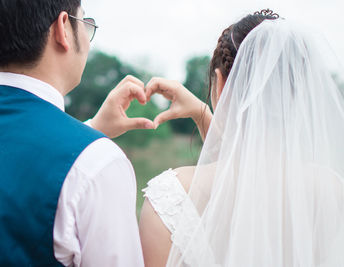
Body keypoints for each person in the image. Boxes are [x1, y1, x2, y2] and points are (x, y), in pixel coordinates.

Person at [0, 0, 181, 266]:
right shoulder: (100, 163)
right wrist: (90, 144)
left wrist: (91, 130)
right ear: (63, 28)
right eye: (86, 23)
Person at [139, 10, 344, 267]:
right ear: (300, 95)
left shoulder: (171, 196)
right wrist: (203, 115)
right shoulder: (332, 190)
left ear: (221, 84)